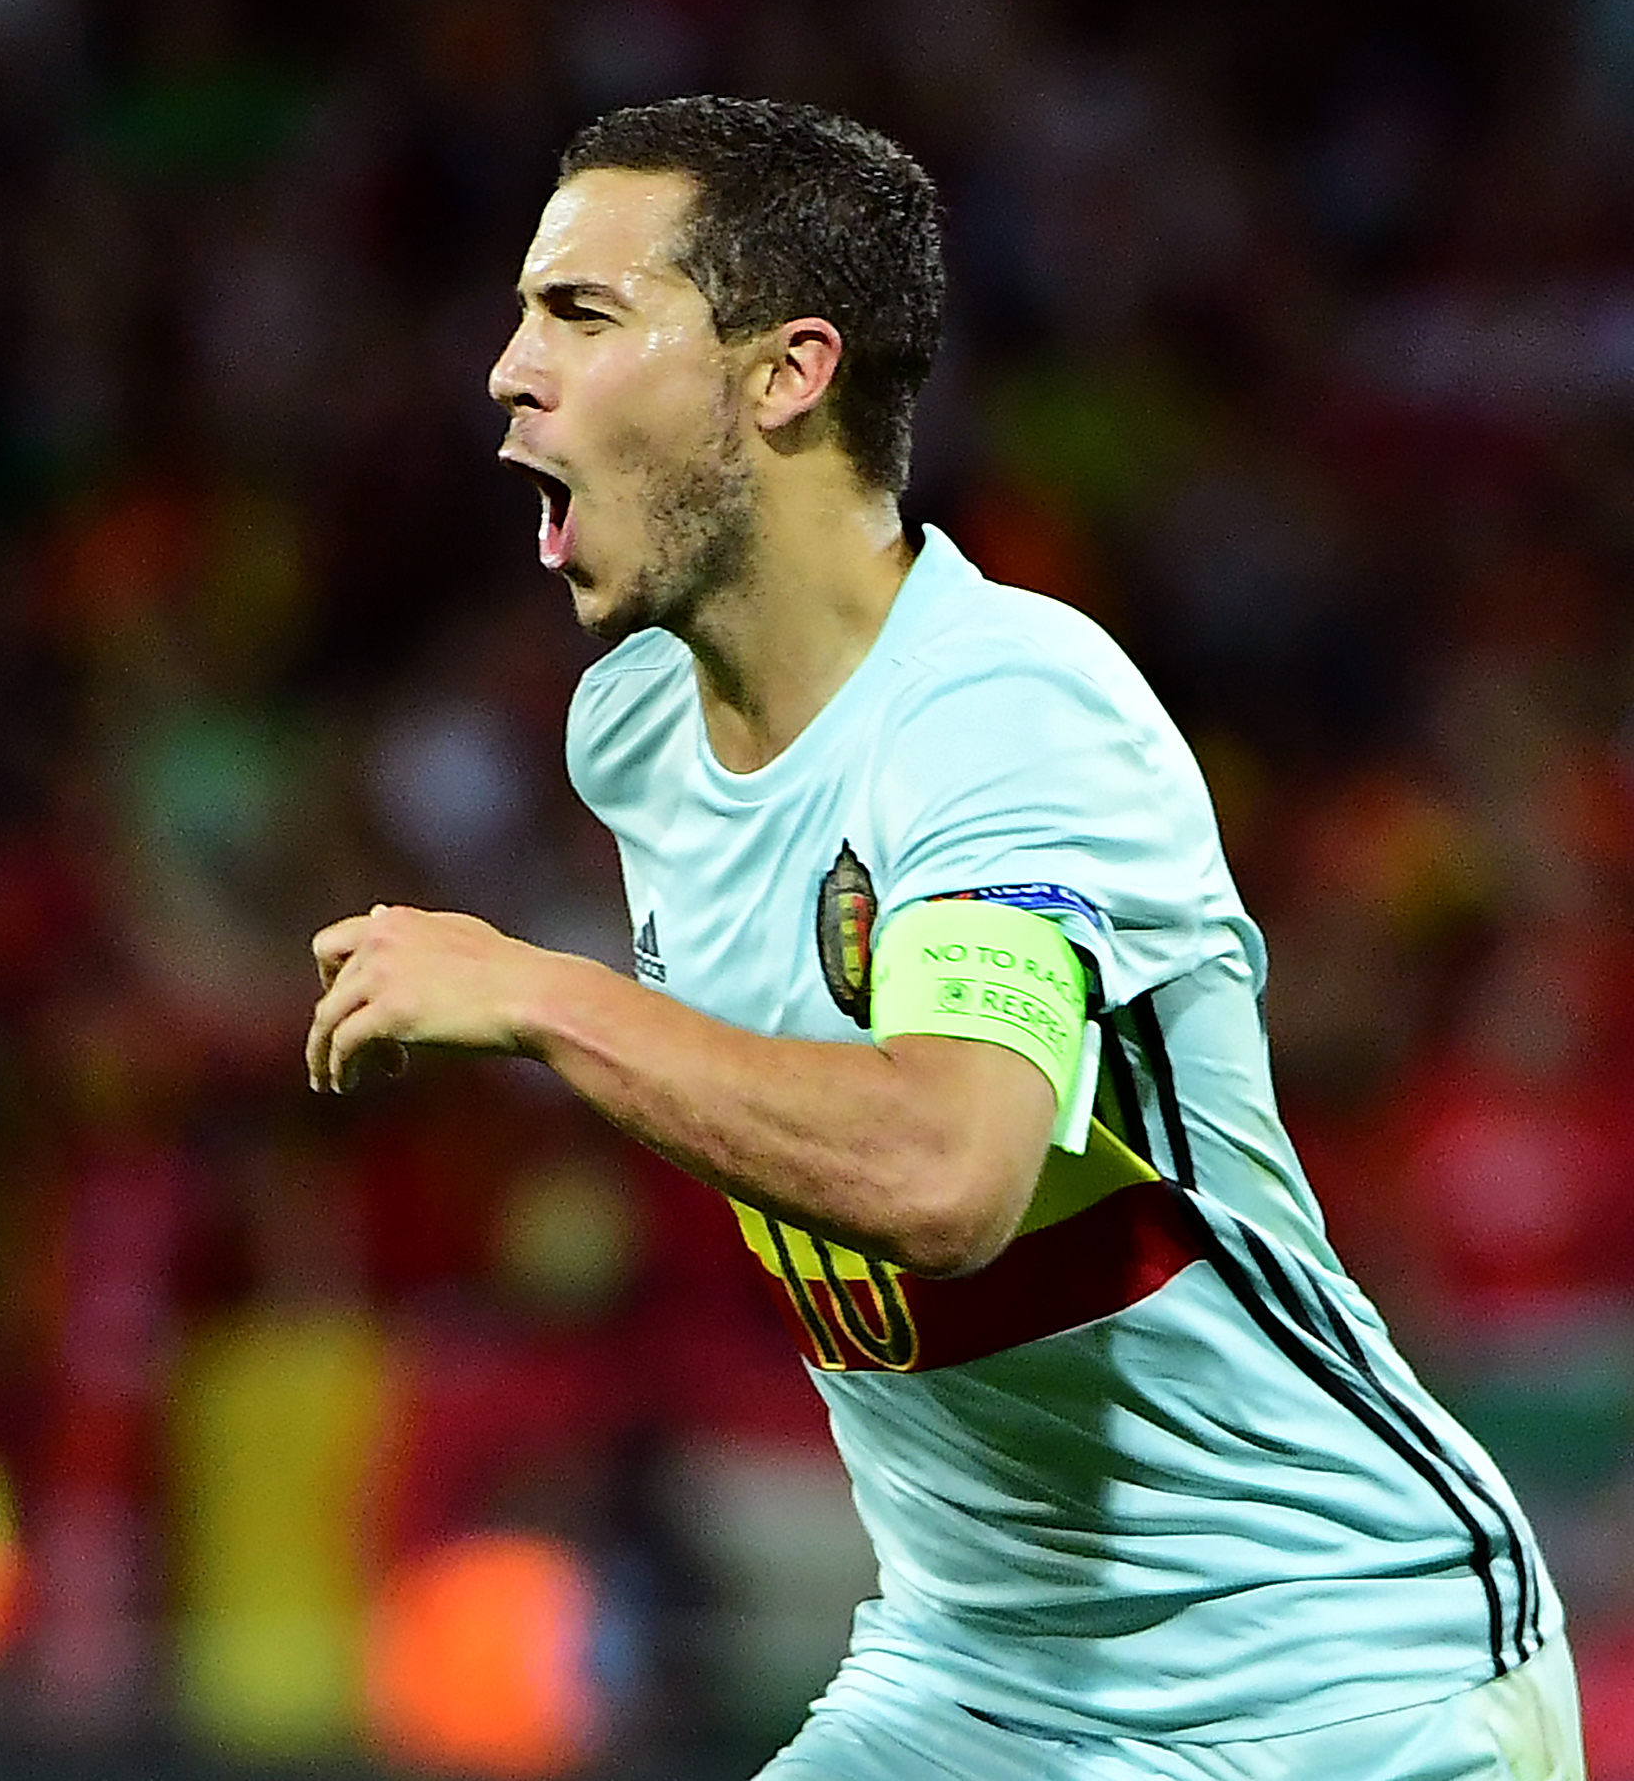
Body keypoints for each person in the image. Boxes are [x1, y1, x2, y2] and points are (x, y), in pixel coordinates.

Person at [304, 96, 1583, 1779]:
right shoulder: (634, 736)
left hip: (1335, 1682)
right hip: (976, 1679)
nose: (507, 367)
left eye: (583, 315)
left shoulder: (1003, 715)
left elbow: (947, 1178)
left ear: (786, 374)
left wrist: (548, 1000)